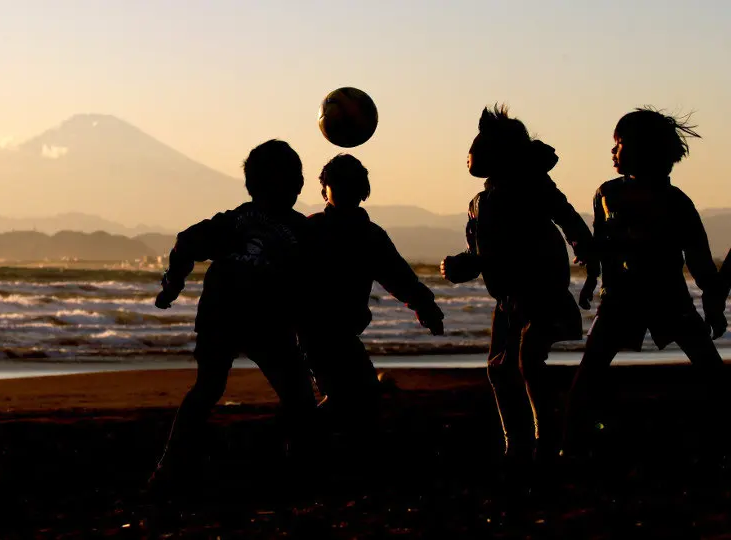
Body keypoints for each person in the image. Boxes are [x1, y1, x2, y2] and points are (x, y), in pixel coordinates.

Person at [149, 139, 317, 489]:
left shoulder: (289, 229)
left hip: (253, 319)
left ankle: (292, 463)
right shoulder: (244, 223)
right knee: (226, 390)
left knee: (285, 394)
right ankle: (171, 464)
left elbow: (185, 243)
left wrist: (173, 284)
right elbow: (185, 243)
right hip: (231, 316)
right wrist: (172, 283)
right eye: (292, 177)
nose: (298, 184)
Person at [564, 108, 727, 458]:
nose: (613, 152)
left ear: (644, 150)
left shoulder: (676, 202)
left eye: (619, 144)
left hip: (670, 298)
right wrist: (592, 278)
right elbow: (599, 245)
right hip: (619, 298)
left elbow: (697, 257)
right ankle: (569, 441)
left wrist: (713, 301)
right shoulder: (605, 193)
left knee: (710, 368)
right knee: (591, 369)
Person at [441, 105, 593, 469]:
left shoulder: (532, 185)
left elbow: (567, 216)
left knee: (528, 363)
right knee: (499, 369)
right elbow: (483, 252)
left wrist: (585, 249)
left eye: (479, 143)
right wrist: (463, 263)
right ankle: (518, 443)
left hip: (541, 290)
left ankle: (546, 439)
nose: (471, 151)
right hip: (508, 299)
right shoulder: (479, 203)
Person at [302, 154, 444, 430]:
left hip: (342, 334)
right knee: (355, 396)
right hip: (313, 332)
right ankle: (306, 436)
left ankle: (309, 438)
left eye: (351, 184)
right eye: (338, 183)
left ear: (363, 190)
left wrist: (424, 305)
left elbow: (398, 277)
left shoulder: (369, 236)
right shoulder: (312, 230)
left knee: (358, 398)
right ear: (324, 190)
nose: (344, 189)